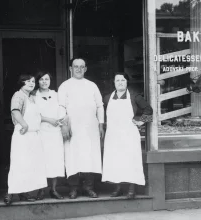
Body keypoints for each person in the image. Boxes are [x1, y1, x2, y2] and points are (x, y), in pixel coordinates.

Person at [58, 58, 105, 199]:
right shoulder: (64, 86)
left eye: (81, 67)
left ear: (85, 69)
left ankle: (89, 187)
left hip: (90, 128)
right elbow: (61, 107)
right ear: (70, 69)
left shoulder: (92, 86)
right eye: (75, 66)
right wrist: (64, 126)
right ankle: (73, 188)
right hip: (73, 129)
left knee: (90, 157)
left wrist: (101, 124)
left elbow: (99, 106)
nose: (78, 69)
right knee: (73, 157)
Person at [102, 72, 153, 199]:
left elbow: (149, 109)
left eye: (123, 80)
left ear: (127, 82)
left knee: (131, 160)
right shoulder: (107, 98)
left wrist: (140, 121)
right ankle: (117, 188)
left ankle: (131, 189)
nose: (120, 82)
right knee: (115, 161)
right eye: (117, 80)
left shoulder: (135, 96)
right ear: (114, 83)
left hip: (129, 134)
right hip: (113, 134)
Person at [4, 73, 47, 205]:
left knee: (30, 165)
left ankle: (24, 192)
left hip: (33, 135)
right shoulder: (18, 95)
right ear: (21, 83)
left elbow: (38, 116)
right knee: (19, 163)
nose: (31, 83)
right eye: (27, 81)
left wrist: (50, 120)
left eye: (33, 81)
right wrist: (24, 124)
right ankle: (10, 193)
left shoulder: (32, 98)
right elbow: (15, 111)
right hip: (23, 134)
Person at [34, 70, 65, 200]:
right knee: (42, 160)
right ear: (38, 81)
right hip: (41, 131)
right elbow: (34, 114)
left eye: (47, 79)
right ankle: (41, 190)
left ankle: (53, 189)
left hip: (55, 132)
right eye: (41, 79)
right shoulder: (33, 96)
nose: (44, 82)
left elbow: (62, 109)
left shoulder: (56, 94)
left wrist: (60, 120)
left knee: (55, 160)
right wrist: (48, 120)